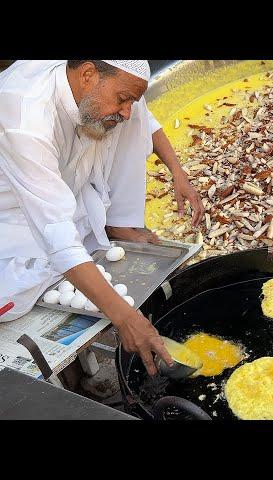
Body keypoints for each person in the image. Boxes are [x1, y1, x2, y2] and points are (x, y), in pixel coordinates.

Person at [0, 60, 204, 375]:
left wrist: (178, 172)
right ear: (88, 74)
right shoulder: (25, 118)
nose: (125, 110)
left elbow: (144, 120)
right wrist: (126, 318)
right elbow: (55, 231)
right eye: (122, 98)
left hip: (65, 186)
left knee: (129, 114)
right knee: (32, 279)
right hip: (15, 213)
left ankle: (119, 223)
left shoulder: (95, 89)